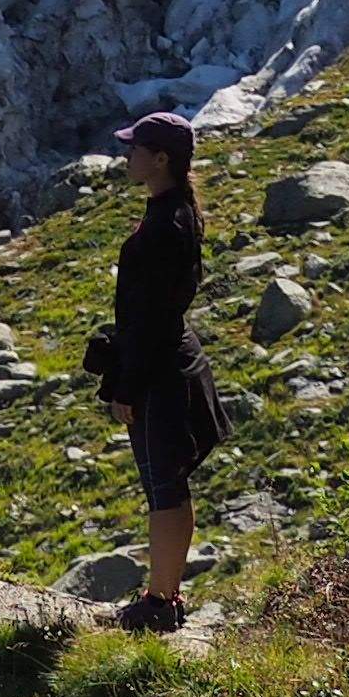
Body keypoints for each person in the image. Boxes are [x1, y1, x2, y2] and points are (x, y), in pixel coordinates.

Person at [91, 107, 220, 633]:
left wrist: (125, 385)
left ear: (160, 158)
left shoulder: (166, 224)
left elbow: (153, 317)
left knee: (163, 488)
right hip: (169, 364)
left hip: (160, 373)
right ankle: (165, 594)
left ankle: (161, 603)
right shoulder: (174, 212)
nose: (127, 156)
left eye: (135, 148)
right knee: (169, 485)